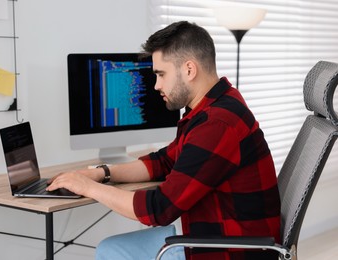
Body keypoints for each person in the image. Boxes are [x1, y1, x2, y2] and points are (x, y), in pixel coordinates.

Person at [47, 21, 281, 260]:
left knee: (111, 252)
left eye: (161, 74)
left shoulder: (217, 124)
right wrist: (102, 173)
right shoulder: (216, 104)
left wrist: (87, 188)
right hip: (218, 238)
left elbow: (160, 208)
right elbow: (165, 161)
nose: (157, 85)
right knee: (111, 248)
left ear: (189, 70)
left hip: (231, 252)